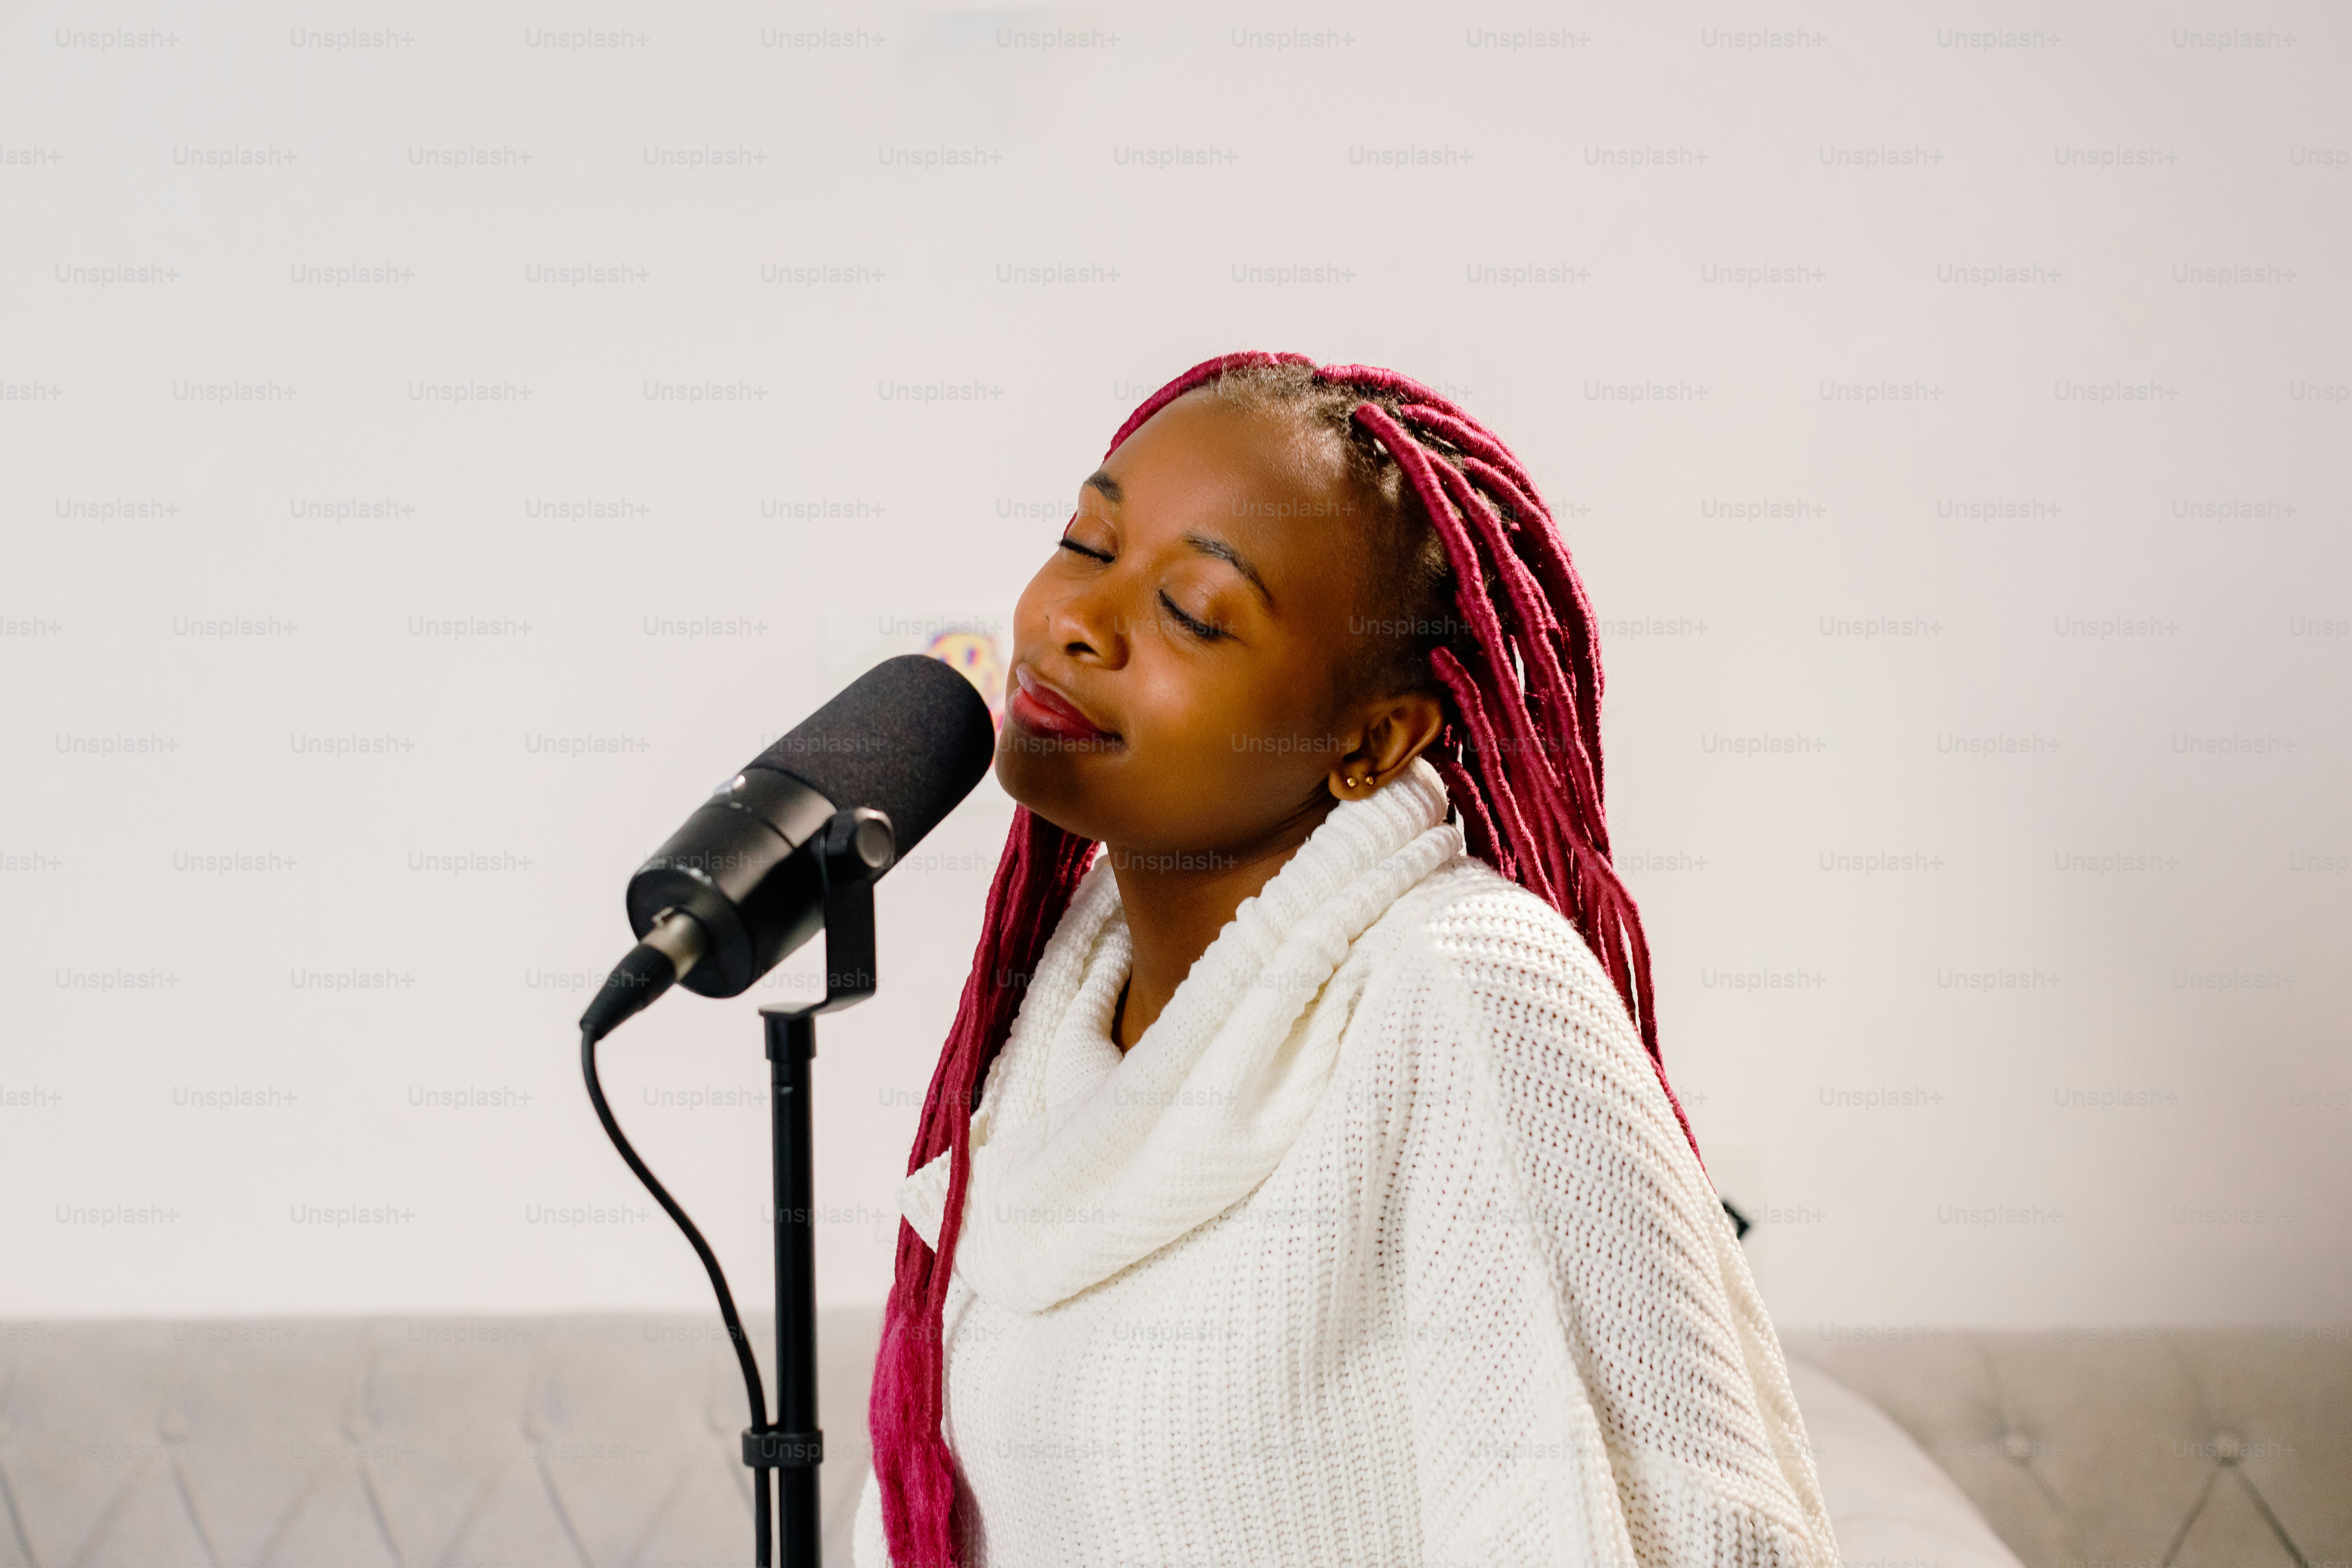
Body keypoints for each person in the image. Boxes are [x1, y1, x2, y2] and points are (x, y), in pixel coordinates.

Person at [852, 352, 1835, 1567]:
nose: (1074, 623)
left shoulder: (1467, 990)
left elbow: (1694, 1535)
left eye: (1193, 613)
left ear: (1371, 741)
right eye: (1088, 545)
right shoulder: (1053, 1032)